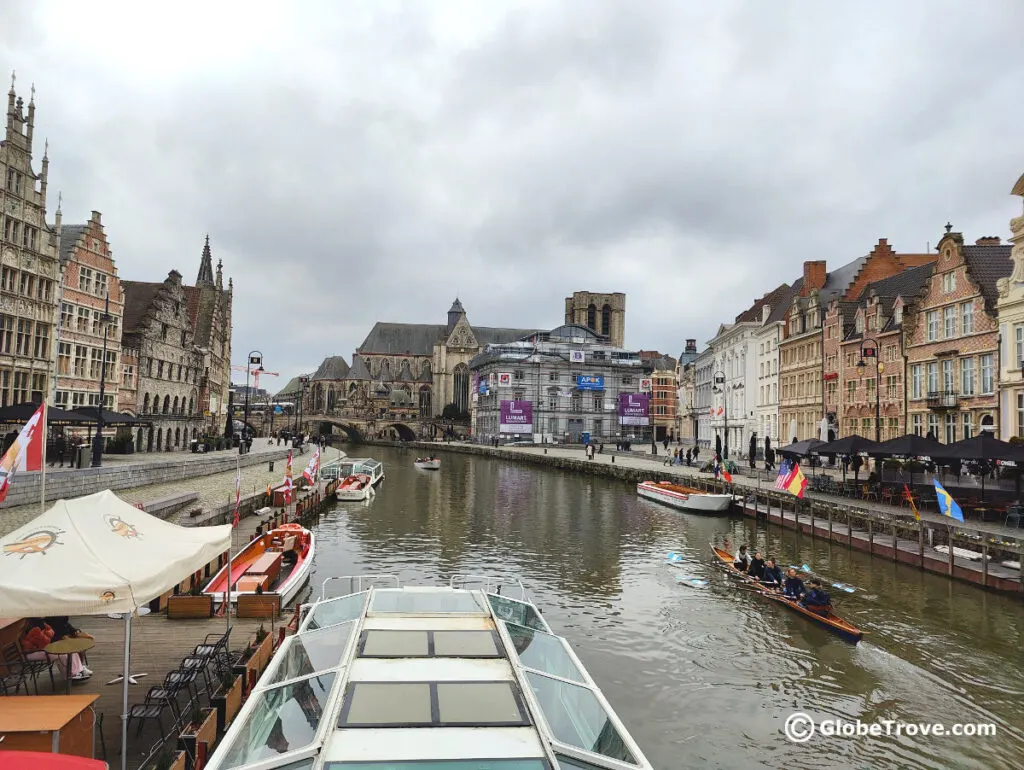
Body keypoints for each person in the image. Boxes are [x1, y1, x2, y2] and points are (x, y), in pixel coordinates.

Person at [21, 618, 91, 681]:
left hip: (41, 649)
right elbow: (42, 642)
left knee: (69, 647)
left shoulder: (42, 622)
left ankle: (79, 670)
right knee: (62, 654)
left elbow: (50, 637)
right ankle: (71, 674)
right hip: (32, 652)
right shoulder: (35, 624)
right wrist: (61, 638)